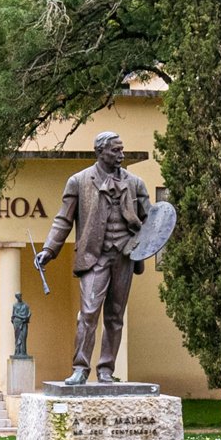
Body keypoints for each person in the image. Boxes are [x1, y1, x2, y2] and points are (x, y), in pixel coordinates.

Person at [35, 132, 150, 384]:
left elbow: (151, 221)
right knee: (88, 313)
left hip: (125, 255)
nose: (121, 155)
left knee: (115, 315)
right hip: (93, 256)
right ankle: (80, 368)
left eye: (122, 150)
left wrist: (143, 237)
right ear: (100, 152)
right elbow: (63, 219)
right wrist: (49, 249)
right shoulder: (78, 181)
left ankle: (106, 369)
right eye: (115, 151)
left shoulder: (136, 183)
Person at [10, 293, 31, 358]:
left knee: (24, 337)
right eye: (18, 296)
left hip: (24, 323)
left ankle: (23, 352)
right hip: (17, 323)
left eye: (20, 295)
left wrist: (27, 317)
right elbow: (13, 315)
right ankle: (17, 352)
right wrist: (17, 318)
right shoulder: (15, 305)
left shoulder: (26, 305)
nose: (20, 297)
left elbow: (29, 313)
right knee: (17, 338)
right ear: (16, 297)